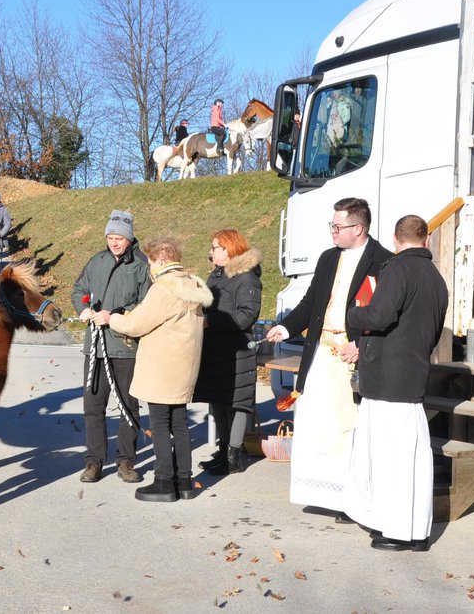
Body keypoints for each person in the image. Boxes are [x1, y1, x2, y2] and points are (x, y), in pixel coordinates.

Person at [266, 197, 392, 523]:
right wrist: (285, 326)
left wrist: (363, 345)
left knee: (347, 429)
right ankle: (324, 493)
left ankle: (352, 499)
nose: (333, 232)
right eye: (332, 225)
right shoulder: (327, 258)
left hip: (353, 358)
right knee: (315, 422)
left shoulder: (384, 262)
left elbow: (390, 316)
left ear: (359, 228)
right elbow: (312, 303)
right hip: (322, 353)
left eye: (338, 226)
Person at [342, 215, 448, 552]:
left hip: (388, 376)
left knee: (392, 459)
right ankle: (413, 530)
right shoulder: (436, 277)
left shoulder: (397, 269)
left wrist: (351, 313)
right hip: (412, 373)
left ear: (395, 238)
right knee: (411, 458)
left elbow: (379, 316)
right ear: (427, 239)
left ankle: (399, 531)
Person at [94, 236, 212, 502]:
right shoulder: (191, 284)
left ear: (160, 259)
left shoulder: (164, 288)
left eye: (150, 261)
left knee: (159, 424)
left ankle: (163, 482)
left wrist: (111, 318)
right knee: (179, 424)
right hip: (185, 367)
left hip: (163, 367)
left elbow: (137, 324)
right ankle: (184, 481)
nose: (149, 267)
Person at [71, 210, 151, 484]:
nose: (114, 242)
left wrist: (114, 317)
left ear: (129, 239)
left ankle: (126, 461)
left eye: (119, 238)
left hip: (125, 347)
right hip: (95, 346)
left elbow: (146, 305)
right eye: (110, 237)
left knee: (129, 407)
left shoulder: (142, 265)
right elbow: (78, 289)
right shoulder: (97, 261)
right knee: (93, 406)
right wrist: (83, 308)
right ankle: (94, 461)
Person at [193, 229, 262, 475]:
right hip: (216, 350)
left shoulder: (246, 278)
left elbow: (246, 315)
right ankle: (223, 452)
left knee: (237, 403)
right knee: (218, 402)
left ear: (229, 249)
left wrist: (211, 322)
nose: (210, 252)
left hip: (236, 350)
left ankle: (234, 456)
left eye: (215, 248)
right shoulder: (217, 276)